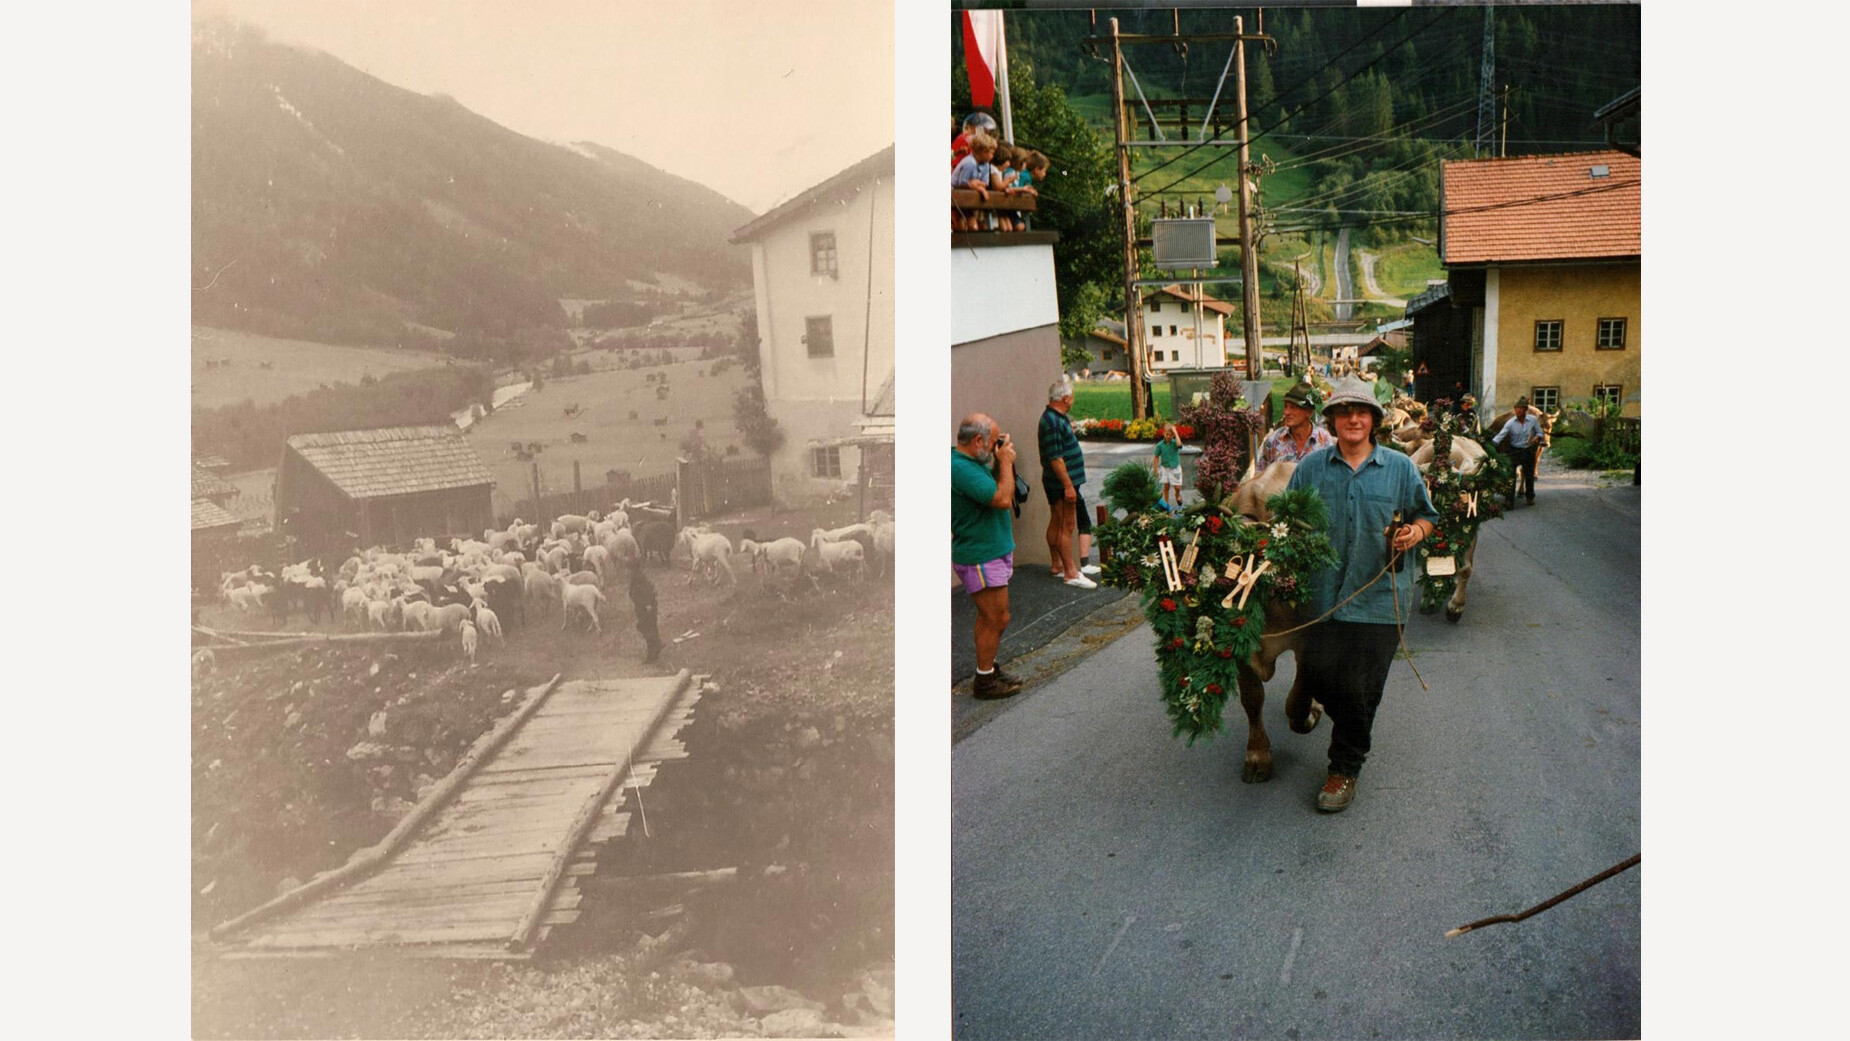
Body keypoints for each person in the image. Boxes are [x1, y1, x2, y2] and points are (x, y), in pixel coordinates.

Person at [1284, 374, 1441, 813]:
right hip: (1322, 598)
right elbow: (1287, 522)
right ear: (1332, 420)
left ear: (1374, 420)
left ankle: (1343, 769)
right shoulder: (1311, 468)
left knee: (1359, 688)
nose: (1353, 419)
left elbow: (1426, 516)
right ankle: (1339, 721)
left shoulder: (1400, 467)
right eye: (1344, 412)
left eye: (1362, 412)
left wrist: (1413, 532)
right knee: (1317, 673)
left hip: (1379, 599)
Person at [952, 414, 1024, 699]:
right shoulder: (960, 468)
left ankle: (988, 670)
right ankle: (984, 681)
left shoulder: (970, 463)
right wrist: (1005, 462)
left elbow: (996, 491)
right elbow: (1003, 499)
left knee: (994, 618)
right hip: (980, 554)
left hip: (991, 551)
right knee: (995, 618)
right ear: (978, 441)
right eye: (993, 442)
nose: (998, 446)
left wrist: (997, 461)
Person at [1037, 379, 1098, 588]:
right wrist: (1068, 485)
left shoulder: (1053, 418)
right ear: (1065, 398)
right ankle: (1071, 572)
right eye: (1072, 396)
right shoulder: (1053, 421)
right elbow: (1056, 458)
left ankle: (1057, 565)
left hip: (1057, 483)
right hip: (1062, 484)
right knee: (1066, 525)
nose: (1073, 400)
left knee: (1056, 520)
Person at [1255, 379, 1336, 471]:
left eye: (1293, 408)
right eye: (1286, 406)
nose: (1286, 412)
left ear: (1308, 412)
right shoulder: (1273, 441)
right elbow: (1260, 478)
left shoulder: (1326, 442)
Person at [1492, 395, 1544, 507]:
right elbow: (1500, 436)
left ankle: (1530, 497)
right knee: (1511, 476)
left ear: (1526, 409)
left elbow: (1540, 432)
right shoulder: (1510, 423)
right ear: (1515, 409)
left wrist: (1538, 437)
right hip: (1515, 451)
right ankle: (1509, 500)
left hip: (1528, 451)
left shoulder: (1533, 420)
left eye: (1521, 408)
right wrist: (1490, 445)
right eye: (1517, 408)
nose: (1519, 410)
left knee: (1529, 475)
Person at [951, 131, 1002, 231]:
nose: (993, 156)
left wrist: (976, 184)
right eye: (992, 153)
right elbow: (962, 183)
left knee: (974, 226)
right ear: (983, 151)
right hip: (955, 197)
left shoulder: (986, 165)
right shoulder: (969, 163)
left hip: (968, 198)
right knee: (962, 225)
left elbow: (984, 183)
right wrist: (979, 188)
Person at [627, 564, 662, 663]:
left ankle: (653, 651)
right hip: (645, 606)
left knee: (645, 628)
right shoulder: (640, 576)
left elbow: (640, 592)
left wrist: (647, 604)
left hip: (645, 607)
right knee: (649, 627)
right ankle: (656, 647)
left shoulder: (637, 578)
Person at [1152, 423, 1186, 511]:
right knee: (1166, 487)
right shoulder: (1160, 445)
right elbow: (1156, 457)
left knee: (1177, 487)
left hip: (1175, 467)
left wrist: (1175, 432)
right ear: (1164, 433)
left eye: (1171, 435)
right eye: (1167, 434)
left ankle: (1177, 494)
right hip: (1165, 468)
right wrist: (1155, 469)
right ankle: (1166, 506)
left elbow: (1180, 445)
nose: (1168, 436)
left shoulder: (1175, 443)